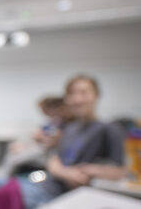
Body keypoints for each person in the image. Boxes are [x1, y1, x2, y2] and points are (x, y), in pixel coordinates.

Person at [18, 74, 127, 208]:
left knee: (1, 195)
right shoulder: (69, 128)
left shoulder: (109, 128)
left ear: (96, 96)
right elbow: (55, 158)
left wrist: (87, 170)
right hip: (46, 185)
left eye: (83, 92)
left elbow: (120, 171)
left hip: (68, 195)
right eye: (72, 94)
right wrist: (65, 172)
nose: (77, 99)